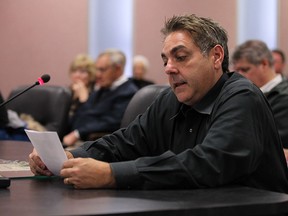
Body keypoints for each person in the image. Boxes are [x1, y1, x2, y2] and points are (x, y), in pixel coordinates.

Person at [29, 14, 288, 193]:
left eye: (181, 57)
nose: (169, 68)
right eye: (165, 60)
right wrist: (72, 156)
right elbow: (124, 142)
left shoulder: (242, 97)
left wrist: (112, 175)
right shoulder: (170, 99)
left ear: (216, 56)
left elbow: (207, 164)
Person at [63, 49, 138, 147]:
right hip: (83, 142)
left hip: (102, 146)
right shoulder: (102, 88)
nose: (97, 74)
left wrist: (78, 133)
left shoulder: (129, 92)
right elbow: (82, 116)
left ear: (117, 69)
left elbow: (112, 123)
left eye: (102, 70)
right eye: (96, 69)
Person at [232, 40, 288, 162]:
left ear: (264, 64)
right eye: (237, 70)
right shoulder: (245, 93)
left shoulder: (284, 97)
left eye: (245, 69)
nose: (239, 76)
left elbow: (270, 143)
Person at [66, 54, 97, 128]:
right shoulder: (66, 92)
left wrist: (83, 99)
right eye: (74, 71)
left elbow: (87, 121)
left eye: (82, 72)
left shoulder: (96, 93)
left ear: (91, 74)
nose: (77, 75)